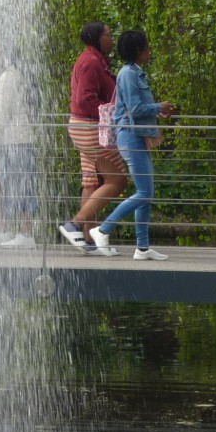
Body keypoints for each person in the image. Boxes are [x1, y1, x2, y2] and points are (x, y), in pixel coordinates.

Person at [90, 29, 176, 261]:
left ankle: (143, 248)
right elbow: (135, 109)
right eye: (146, 47)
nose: (150, 50)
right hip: (130, 135)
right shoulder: (128, 74)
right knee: (145, 192)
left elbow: (137, 108)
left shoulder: (136, 72)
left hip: (138, 135)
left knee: (146, 192)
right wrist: (159, 107)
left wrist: (159, 111)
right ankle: (103, 230)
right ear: (138, 50)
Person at [59, 22, 127, 256]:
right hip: (90, 128)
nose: (112, 38)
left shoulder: (93, 60)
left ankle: (88, 239)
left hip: (84, 127)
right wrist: (111, 112)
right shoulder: (90, 62)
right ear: (97, 38)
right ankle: (75, 225)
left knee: (91, 182)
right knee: (118, 181)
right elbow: (85, 99)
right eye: (109, 35)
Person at [0, 43, 36, 249]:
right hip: (7, 140)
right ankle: (4, 228)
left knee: (21, 184)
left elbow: (1, 114)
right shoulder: (7, 75)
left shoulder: (9, 76)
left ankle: (26, 233)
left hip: (17, 140)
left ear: (5, 54)